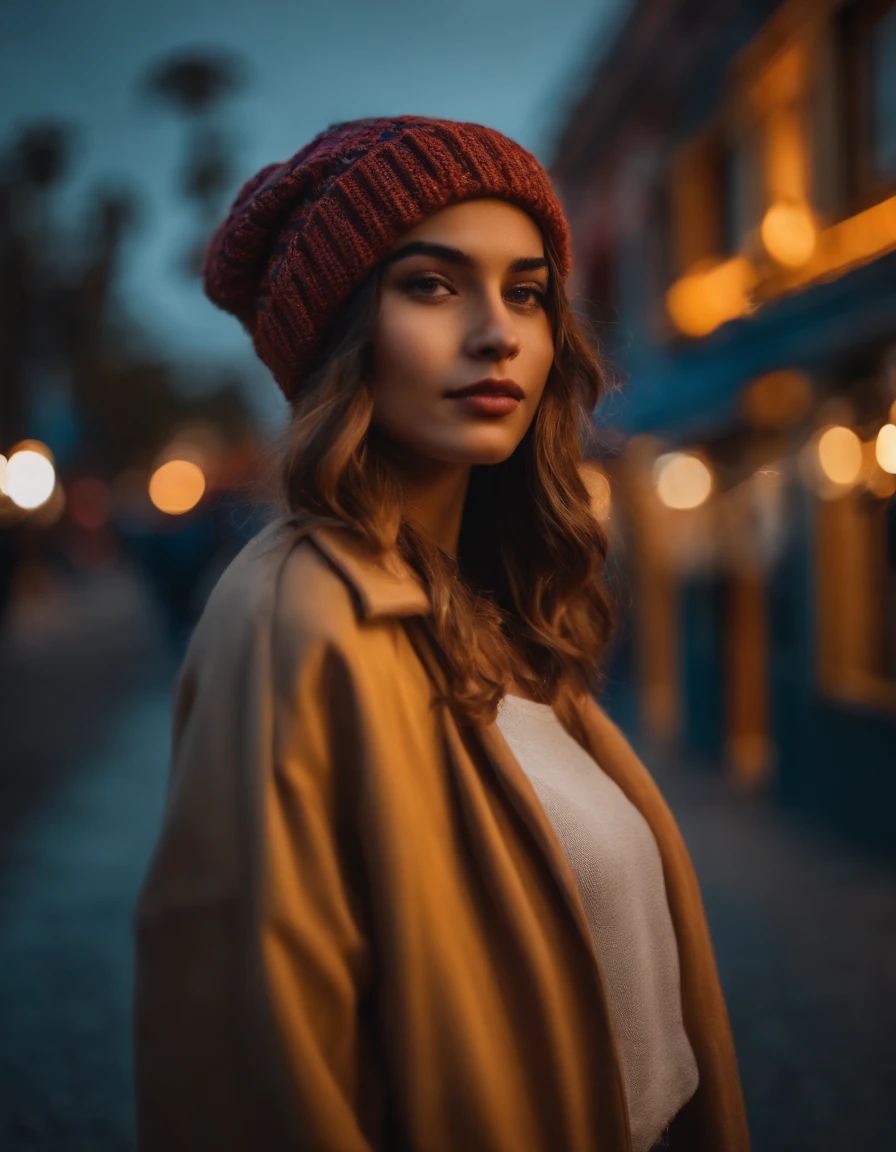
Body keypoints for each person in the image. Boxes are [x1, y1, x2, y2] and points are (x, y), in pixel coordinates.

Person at [132, 115, 750, 1152]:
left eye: (525, 292)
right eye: (428, 284)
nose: (496, 331)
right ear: (338, 336)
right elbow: (243, 1070)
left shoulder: (504, 614)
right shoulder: (294, 612)